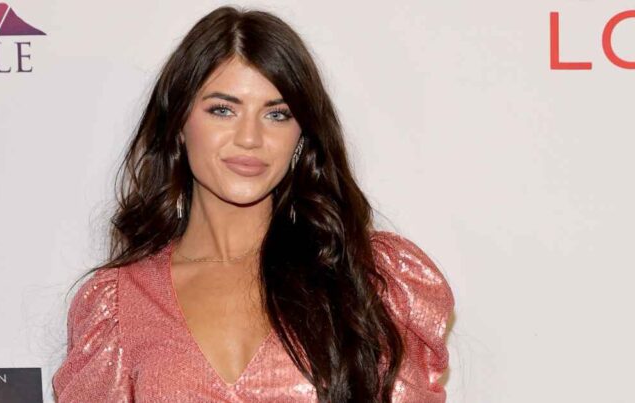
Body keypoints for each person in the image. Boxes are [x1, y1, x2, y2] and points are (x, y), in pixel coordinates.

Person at [51, 5, 454, 403]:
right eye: (223, 110)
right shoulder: (119, 304)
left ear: (301, 137)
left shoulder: (373, 280)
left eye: (277, 115)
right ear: (178, 125)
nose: (249, 138)